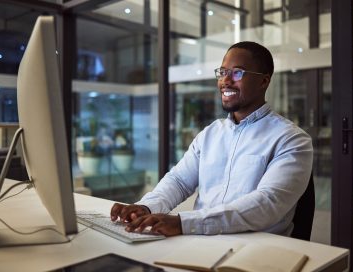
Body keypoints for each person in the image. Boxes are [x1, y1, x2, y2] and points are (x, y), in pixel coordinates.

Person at [110, 41, 313, 237]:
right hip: (199, 239)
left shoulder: (292, 140)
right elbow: (179, 181)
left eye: (237, 73)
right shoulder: (210, 134)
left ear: (263, 81)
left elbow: (267, 204)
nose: (226, 80)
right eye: (223, 72)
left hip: (254, 248)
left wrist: (183, 223)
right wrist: (147, 206)